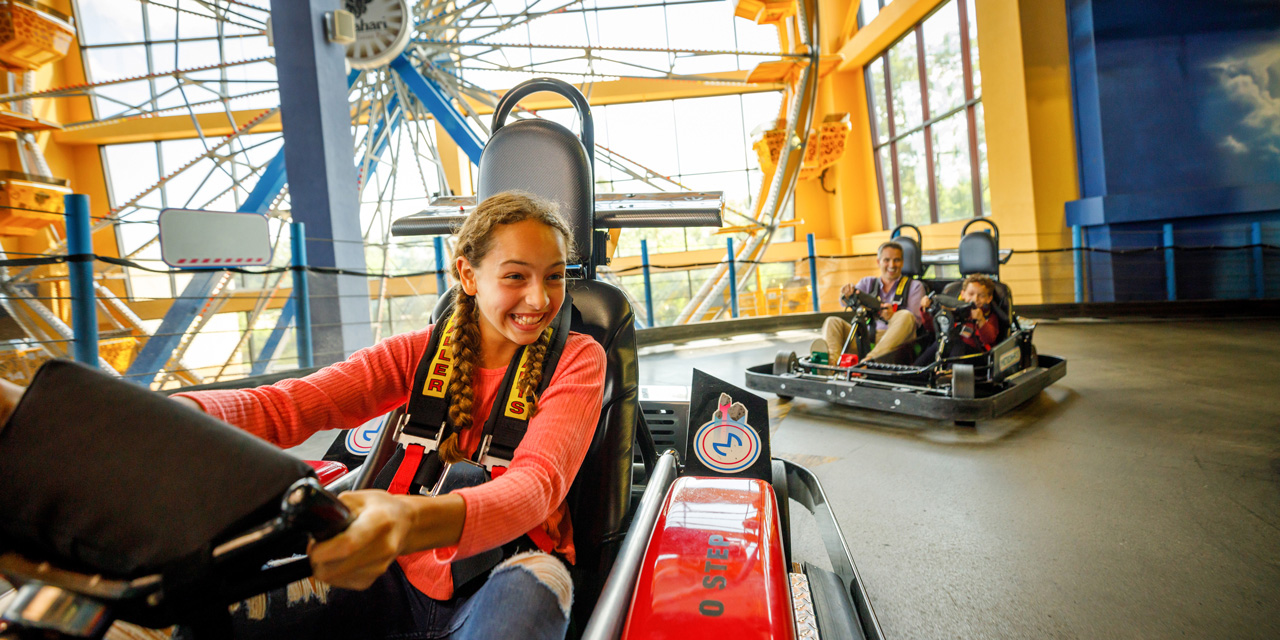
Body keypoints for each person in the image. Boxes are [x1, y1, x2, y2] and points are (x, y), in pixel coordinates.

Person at [49, 191, 603, 640]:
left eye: (555, 276)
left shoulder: (578, 358)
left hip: (506, 567)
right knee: (196, 606)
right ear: (467, 275)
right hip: (390, 569)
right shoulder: (417, 353)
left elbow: (537, 486)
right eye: (515, 276)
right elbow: (292, 404)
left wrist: (406, 519)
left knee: (539, 583)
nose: (539, 298)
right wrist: (163, 419)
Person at [821, 241, 926, 361]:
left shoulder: (914, 286)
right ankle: (831, 366)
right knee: (832, 322)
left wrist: (893, 316)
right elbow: (843, 302)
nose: (892, 265)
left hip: (895, 341)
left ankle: (869, 362)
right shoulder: (868, 283)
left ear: (902, 262)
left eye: (896, 260)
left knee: (906, 315)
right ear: (878, 262)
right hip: (866, 337)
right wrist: (846, 294)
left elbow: (915, 322)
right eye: (887, 260)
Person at [913, 273, 1001, 366]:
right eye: (971, 294)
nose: (975, 299)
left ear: (989, 298)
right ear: (963, 294)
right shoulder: (955, 311)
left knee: (957, 342)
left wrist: (981, 320)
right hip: (953, 353)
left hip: (978, 357)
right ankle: (916, 368)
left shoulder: (989, 316)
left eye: (981, 296)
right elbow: (932, 328)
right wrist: (925, 310)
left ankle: (950, 373)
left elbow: (990, 339)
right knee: (940, 341)